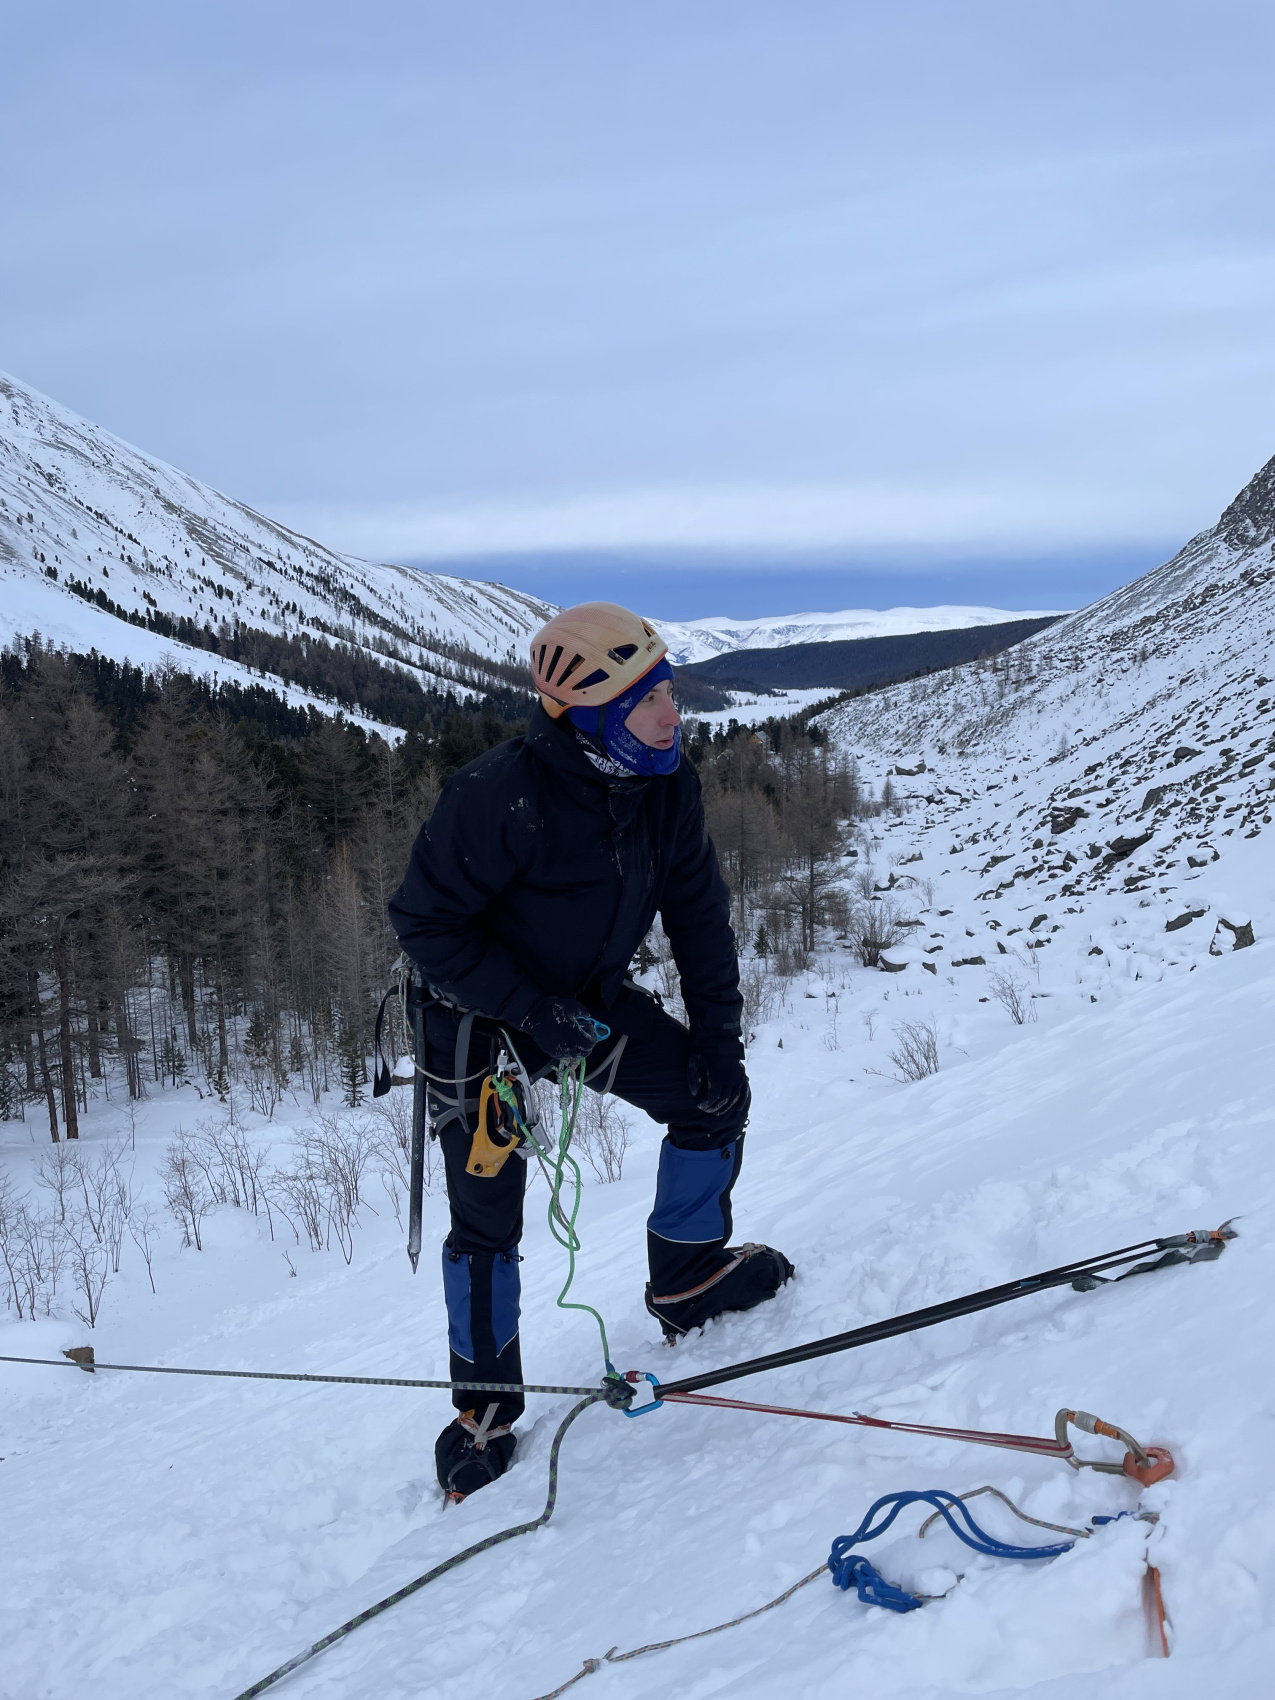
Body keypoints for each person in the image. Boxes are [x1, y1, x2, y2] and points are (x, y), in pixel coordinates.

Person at [388, 602, 792, 1499]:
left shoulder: (665, 786)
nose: (670, 715)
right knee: (487, 1217)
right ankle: (484, 1409)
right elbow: (422, 922)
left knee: (708, 1099)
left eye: (669, 691)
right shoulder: (500, 794)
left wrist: (718, 1048)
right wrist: (529, 1008)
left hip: (585, 1004)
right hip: (480, 1021)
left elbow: (697, 920)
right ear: (593, 710)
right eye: (648, 699)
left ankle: (685, 1279)